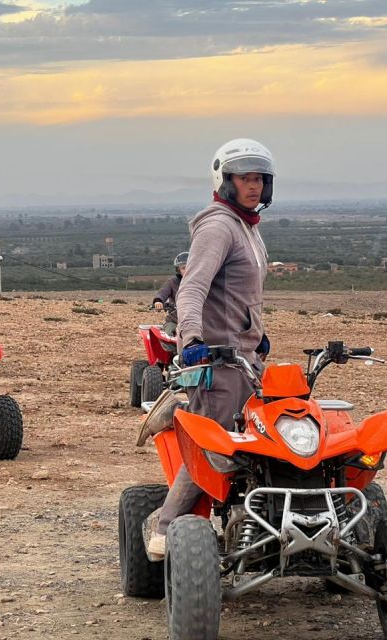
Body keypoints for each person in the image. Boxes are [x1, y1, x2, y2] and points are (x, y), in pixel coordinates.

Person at [147, 138, 274, 559]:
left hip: (245, 358)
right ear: (225, 181)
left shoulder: (246, 226)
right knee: (213, 443)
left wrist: (258, 332)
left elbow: (242, 296)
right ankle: (164, 530)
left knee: (263, 439)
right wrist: (193, 341)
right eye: (245, 178)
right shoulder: (219, 225)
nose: (253, 186)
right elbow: (192, 289)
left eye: (259, 178)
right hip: (219, 360)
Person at [152, 252, 188, 336]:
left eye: (189, 267)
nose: (187, 270)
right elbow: (163, 292)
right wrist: (158, 301)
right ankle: (171, 349)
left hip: (195, 321)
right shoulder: (172, 282)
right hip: (175, 319)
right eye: (183, 268)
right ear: (178, 270)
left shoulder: (199, 283)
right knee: (169, 334)